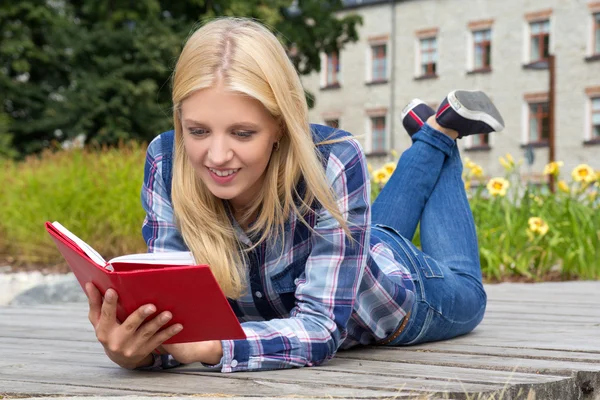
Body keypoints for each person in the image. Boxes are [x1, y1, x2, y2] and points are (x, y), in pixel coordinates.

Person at [84, 17, 505, 372]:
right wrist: (137, 350)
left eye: (243, 133)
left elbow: (320, 328)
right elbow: (182, 326)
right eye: (197, 131)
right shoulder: (166, 160)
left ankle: (440, 134)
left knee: (470, 292)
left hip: (395, 297)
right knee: (383, 228)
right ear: (180, 120)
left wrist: (215, 347)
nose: (215, 155)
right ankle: (432, 134)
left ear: (281, 125)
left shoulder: (334, 159)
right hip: (352, 242)